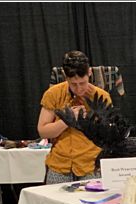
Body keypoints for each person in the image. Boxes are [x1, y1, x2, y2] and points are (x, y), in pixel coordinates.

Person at [37, 50, 112, 185]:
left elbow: (108, 135)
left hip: (90, 164)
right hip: (59, 164)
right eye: (73, 84)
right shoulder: (53, 94)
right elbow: (43, 131)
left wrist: (92, 117)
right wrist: (67, 120)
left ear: (89, 73)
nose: (79, 88)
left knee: (91, 203)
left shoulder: (102, 97)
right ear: (65, 76)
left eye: (82, 83)